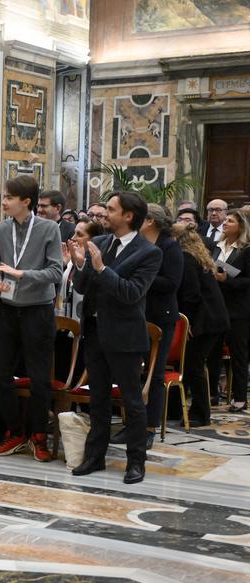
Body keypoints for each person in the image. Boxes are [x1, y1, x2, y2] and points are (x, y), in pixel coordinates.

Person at [69, 192, 162, 484]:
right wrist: (80, 265)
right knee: (97, 399)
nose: (103, 215)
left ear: (128, 216)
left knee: (132, 402)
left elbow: (131, 294)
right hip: (95, 332)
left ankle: (136, 462)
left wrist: (100, 268)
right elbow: (85, 288)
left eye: (110, 209)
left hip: (124, 336)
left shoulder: (148, 252)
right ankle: (94, 457)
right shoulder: (99, 242)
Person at [0, 176, 62, 462]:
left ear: (26, 202)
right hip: (7, 310)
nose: (3, 201)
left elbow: (56, 272)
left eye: (8, 197)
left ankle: (39, 435)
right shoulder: (2, 230)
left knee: (39, 378)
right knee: (0, 375)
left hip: (38, 310)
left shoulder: (49, 229)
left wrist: (21, 275)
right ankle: (15, 432)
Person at [110, 203, 181, 449]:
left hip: (160, 316)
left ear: (149, 221)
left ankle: (148, 428)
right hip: (136, 315)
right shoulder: (135, 245)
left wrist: (143, 278)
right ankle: (130, 424)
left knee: (156, 373)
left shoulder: (169, 247)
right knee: (132, 372)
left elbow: (172, 283)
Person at [174, 220, 229, 427]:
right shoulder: (197, 255)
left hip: (204, 321)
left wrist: (186, 325)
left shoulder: (187, 258)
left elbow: (192, 296)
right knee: (195, 366)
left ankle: (201, 414)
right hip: (213, 318)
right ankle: (197, 410)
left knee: (193, 366)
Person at [212, 208, 250, 412]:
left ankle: (240, 397)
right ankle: (212, 394)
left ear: (241, 226)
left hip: (238, 309)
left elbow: (247, 280)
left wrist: (229, 280)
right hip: (216, 307)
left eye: (230, 221)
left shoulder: (246, 249)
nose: (225, 223)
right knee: (213, 352)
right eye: (225, 220)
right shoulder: (216, 246)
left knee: (239, 355)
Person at [58, 220, 103, 320]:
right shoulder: (70, 259)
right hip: (64, 320)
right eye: (74, 233)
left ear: (94, 239)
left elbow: (86, 289)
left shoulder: (99, 264)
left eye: (79, 234)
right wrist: (63, 264)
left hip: (86, 322)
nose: (73, 238)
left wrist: (80, 263)